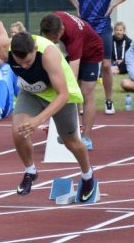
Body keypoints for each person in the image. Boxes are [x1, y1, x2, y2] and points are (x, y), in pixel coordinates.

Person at [0, 20, 98, 202]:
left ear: (34, 50)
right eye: (19, 62)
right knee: (18, 131)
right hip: (31, 92)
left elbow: (62, 95)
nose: (24, 66)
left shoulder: (48, 54)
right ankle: (30, 171)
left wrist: (38, 121)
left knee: (71, 142)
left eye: (28, 62)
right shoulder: (4, 47)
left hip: (60, 94)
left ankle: (88, 176)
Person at [65, 0, 133, 116]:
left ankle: (109, 101)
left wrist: (114, 5)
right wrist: (77, 6)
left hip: (102, 28)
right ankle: (79, 103)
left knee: (107, 65)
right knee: (79, 64)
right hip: (83, 28)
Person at [38, 11, 103, 150]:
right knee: (62, 90)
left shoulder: (73, 36)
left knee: (85, 93)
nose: (52, 42)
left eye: (53, 39)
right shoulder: (51, 20)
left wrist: (62, 94)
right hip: (71, 51)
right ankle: (68, 131)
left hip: (92, 53)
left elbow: (72, 76)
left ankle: (85, 137)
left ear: (60, 32)